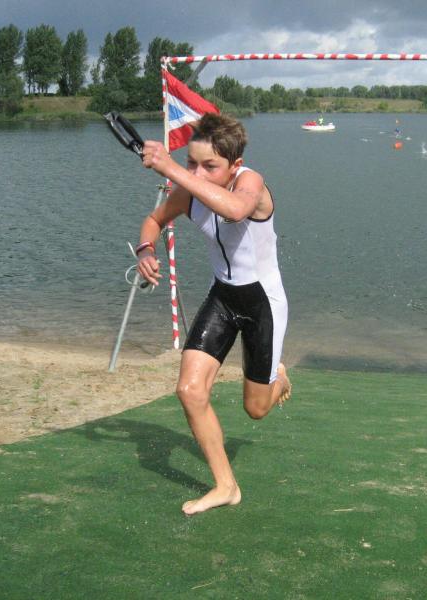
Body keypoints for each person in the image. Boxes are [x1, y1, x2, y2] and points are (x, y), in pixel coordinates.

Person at [136, 113, 291, 515]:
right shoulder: (189, 191)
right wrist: (146, 250)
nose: (196, 173)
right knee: (189, 390)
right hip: (222, 297)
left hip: (262, 303)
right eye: (191, 162)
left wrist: (171, 169)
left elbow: (236, 210)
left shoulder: (251, 183)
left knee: (256, 409)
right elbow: (154, 220)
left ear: (234, 165)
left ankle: (278, 377)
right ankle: (226, 486)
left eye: (209, 166)